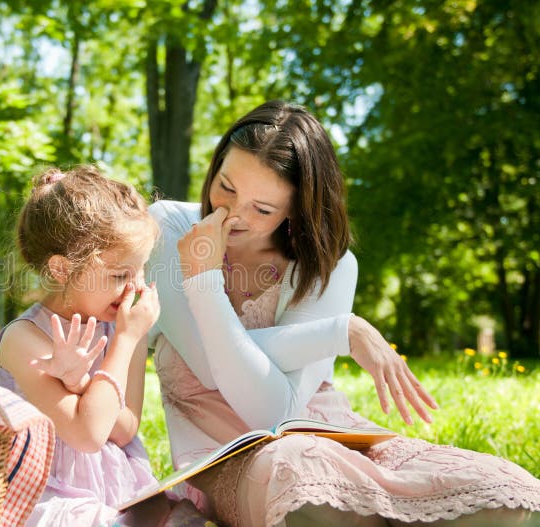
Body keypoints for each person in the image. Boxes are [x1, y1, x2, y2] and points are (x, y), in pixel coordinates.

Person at [146, 100, 540, 526]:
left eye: (262, 209)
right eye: (225, 186)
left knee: (503, 492)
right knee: (297, 476)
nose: (232, 213)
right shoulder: (168, 230)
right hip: (229, 460)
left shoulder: (328, 264)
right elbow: (229, 383)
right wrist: (339, 332)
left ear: (296, 209)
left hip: (326, 435)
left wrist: (336, 329)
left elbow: (286, 413)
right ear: (215, 163)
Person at [0, 166, 209, 527]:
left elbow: (123, 429)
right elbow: (87, 434)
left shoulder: (123, 325)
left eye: (140, 271)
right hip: (50, 494)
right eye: (120, 275)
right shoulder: (24, 339)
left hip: (118, 489)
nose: (135, 288)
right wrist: (123, 342)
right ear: (62, 270)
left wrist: (82, 385)